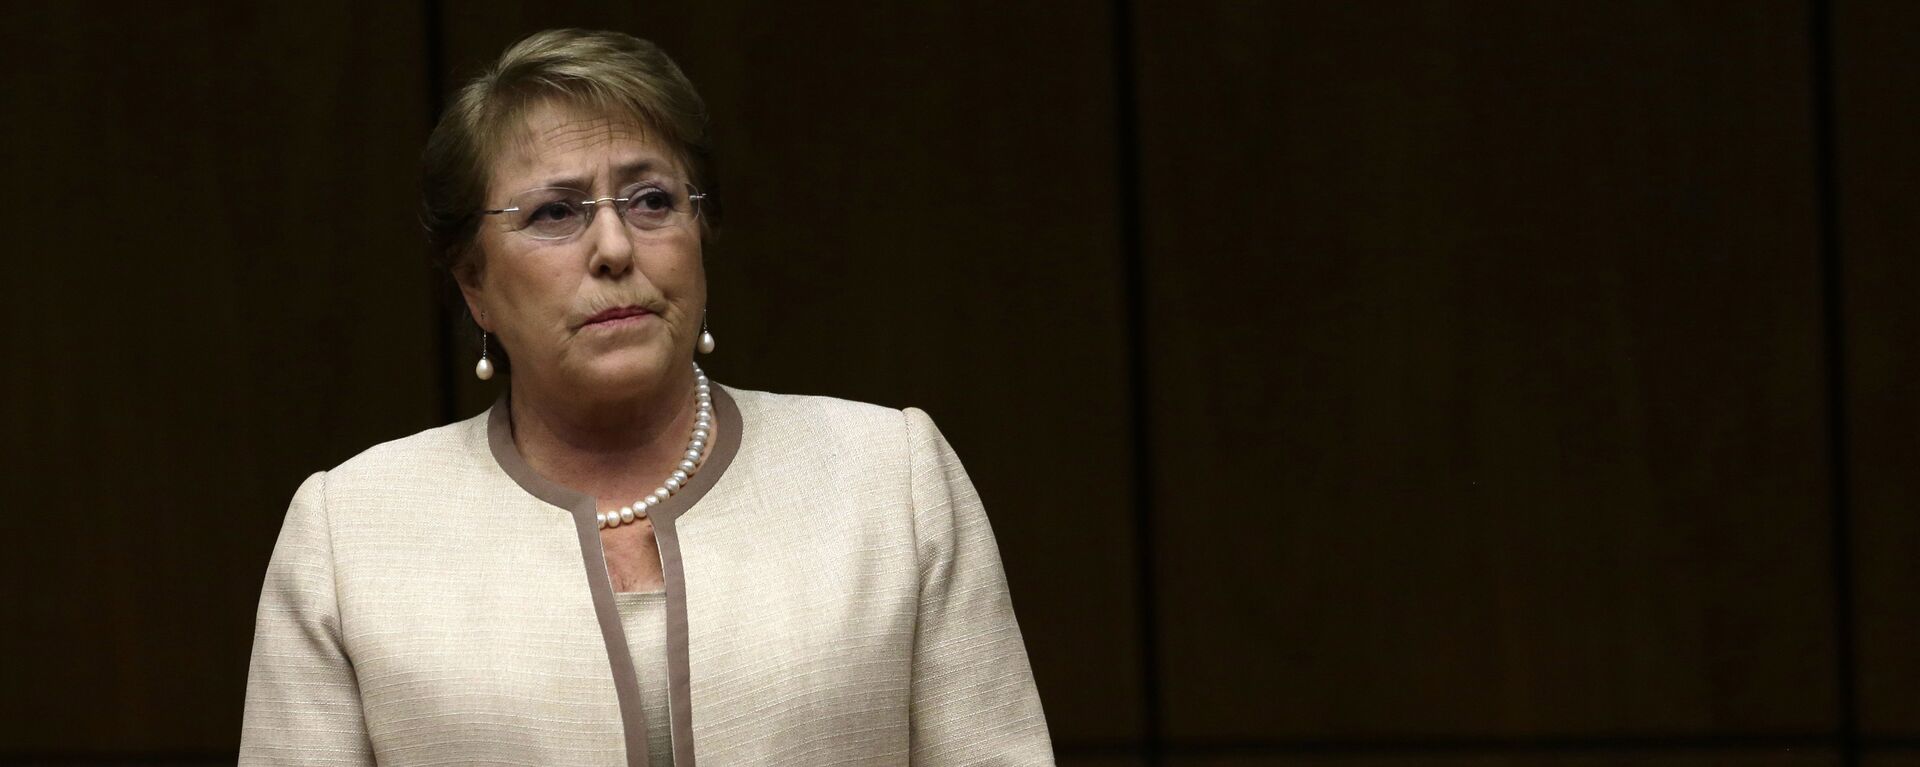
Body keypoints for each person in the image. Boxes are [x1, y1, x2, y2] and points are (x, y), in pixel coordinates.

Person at [238, 28, 1053, 766]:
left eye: (652, 200)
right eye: (555, 212)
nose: (616, 247)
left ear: (702, 234)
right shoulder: (351, 533)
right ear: (474, 285)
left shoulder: (890, 478)